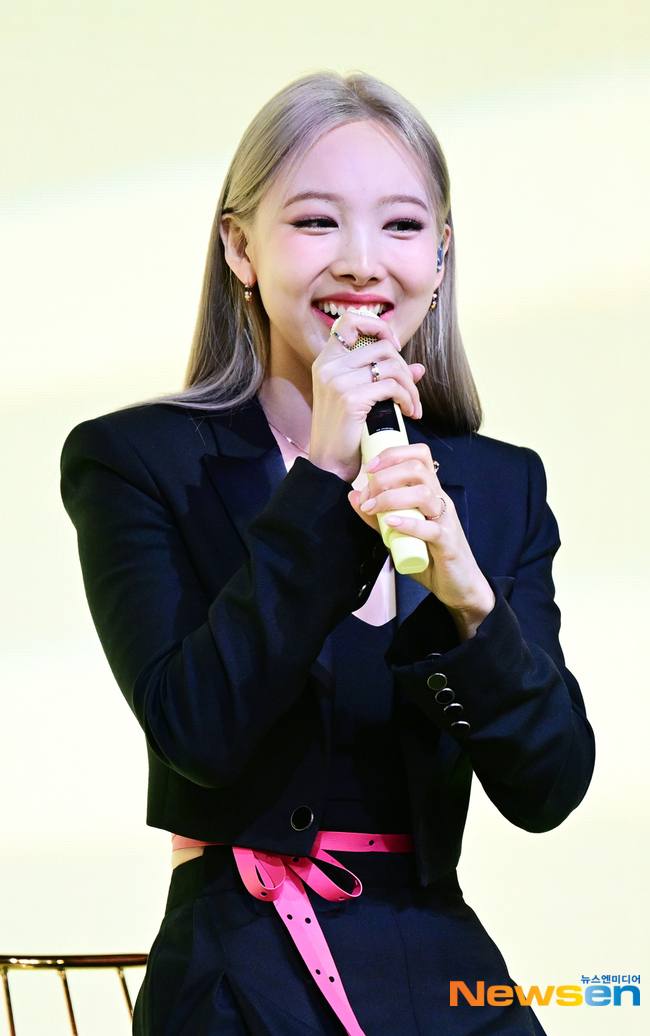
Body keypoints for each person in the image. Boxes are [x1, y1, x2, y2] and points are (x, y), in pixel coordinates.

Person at [61, 71, 595, 1036]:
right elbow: (198, 731)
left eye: (401, 226)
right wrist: (321, 475)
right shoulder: (137, 461)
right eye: (315, 222)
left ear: (440, 256)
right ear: (241, 247)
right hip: (240, 967)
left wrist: (471, 599)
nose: (361, 263)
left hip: (444, 974)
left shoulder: (500, 484)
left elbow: (549, 786)